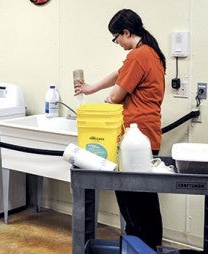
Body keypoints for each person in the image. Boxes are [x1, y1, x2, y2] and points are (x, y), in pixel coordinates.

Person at [74, 9, 166, 250]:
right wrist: (90, 88)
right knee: (141, 200)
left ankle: (143, 247)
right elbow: (119, 74)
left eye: (116, 38)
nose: (116, 43)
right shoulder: (148, 52)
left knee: (135, 204)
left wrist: (106, 101)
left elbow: (115, 95)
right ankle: (144, 246)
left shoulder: (140, 56)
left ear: (126, 32)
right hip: (146, 135)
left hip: (136, 137)